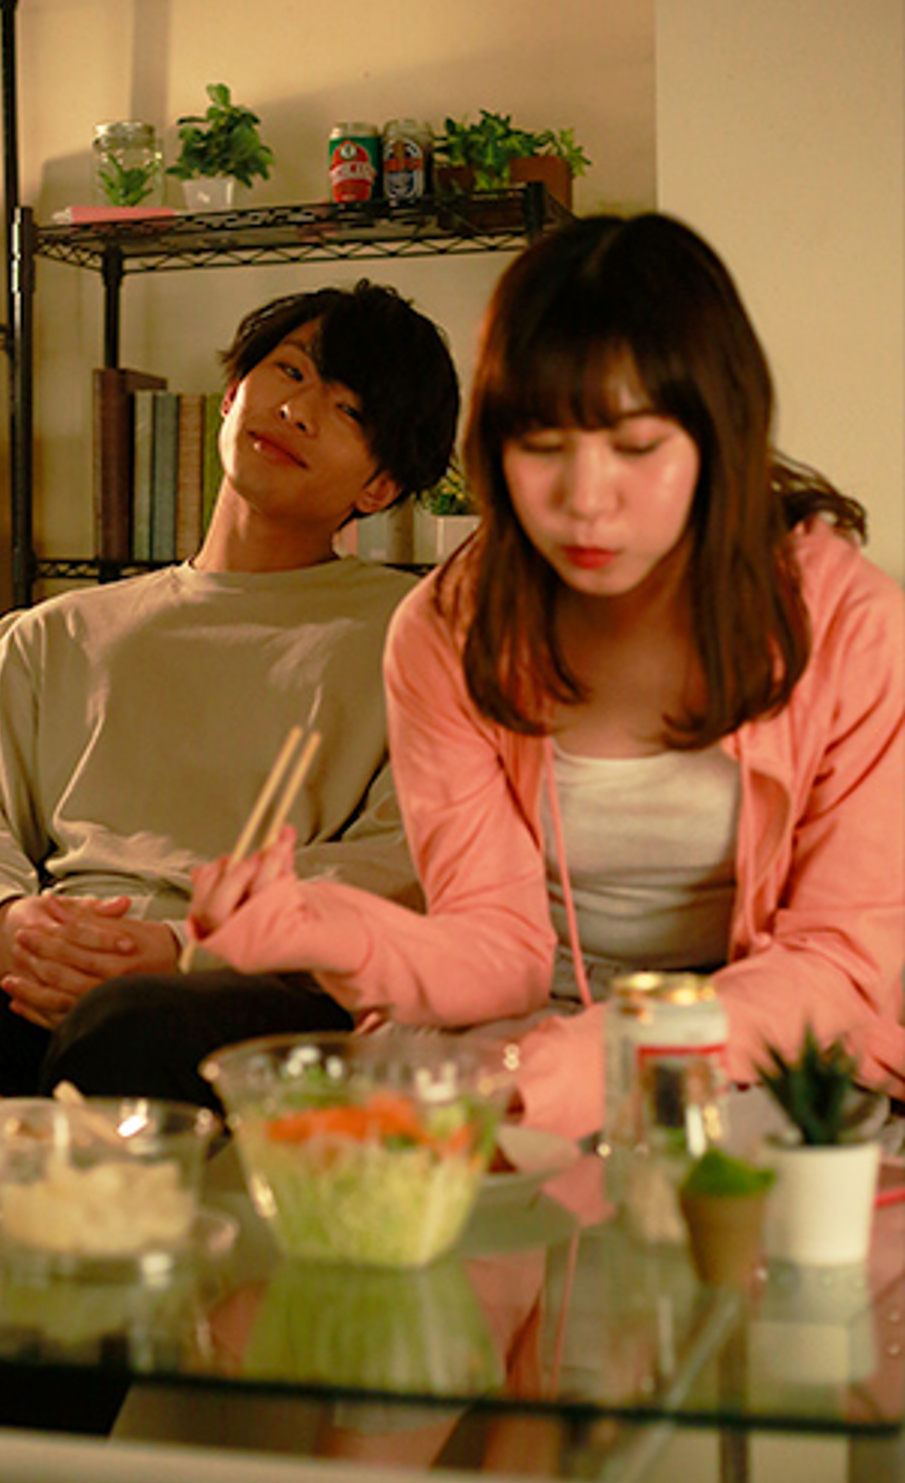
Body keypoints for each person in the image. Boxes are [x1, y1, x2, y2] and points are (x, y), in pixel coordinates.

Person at [189, 212, 905, 1139]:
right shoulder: (450, 631)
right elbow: (496, 947)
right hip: (528, 1025)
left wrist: (610, 1057)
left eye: (637, 448)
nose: (584, 501)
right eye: (543, 447)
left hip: (758, 1033)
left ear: (719, 436)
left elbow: (838, 963)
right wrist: (318, 925)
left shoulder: (848, 625)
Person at [0, 279, 460, 1101]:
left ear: (381, 486)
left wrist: (181, 946)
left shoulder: (419, 638)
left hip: (254, 983)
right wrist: (6, 926)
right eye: (290, 371)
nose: (298, 410)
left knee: (123, 1030)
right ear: (231, 393)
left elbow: (397, 866)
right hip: (37, 968)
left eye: (348, 410)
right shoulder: (52, 635)